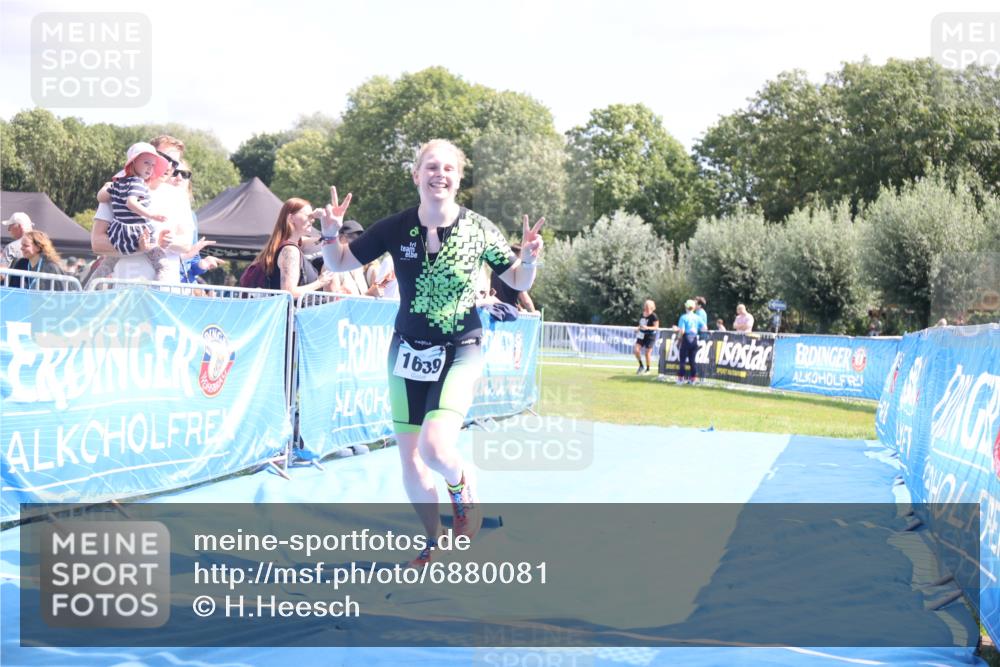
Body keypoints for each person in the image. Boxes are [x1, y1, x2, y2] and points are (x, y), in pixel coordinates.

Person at [317, 139, 544, 567]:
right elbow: (340, 263)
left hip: (461, 346)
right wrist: (330, 232)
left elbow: (517, 279)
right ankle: (434, 539)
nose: (439, 174)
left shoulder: (479, 228)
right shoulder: (395, 226)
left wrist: (528, 259)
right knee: (410, 459)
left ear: (458, 179)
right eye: (431, 167)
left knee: (436, 448)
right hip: (406, 349)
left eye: (448, 169)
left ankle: (464, 495)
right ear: (417, 175)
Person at [91, 135, 194, 282]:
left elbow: (186, 243)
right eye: (165, 158)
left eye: (175, 163)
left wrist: (167, 241)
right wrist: (140, 246)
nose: (170, 166)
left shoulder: (179, 195)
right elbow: (97, 243)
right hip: (125, 293)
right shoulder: (118, 187)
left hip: (164, 294)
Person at [250, 198, 336, 297]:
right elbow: (289, 292)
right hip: (292, 311)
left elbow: (327, 240)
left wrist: (324, 217)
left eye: (312, 217)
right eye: (308, 216)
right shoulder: (290, 250)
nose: (312, 220)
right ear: (291, 218)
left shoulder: (292, 244)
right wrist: (320, 282)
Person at [489, 243, 536, 312]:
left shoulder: (495, 271)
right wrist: (534, 314)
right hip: (509, 313)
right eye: (522, 258)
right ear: (516, 256)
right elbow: (526, 301)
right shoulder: (516, 273)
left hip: (495, 311)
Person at [675, 299, 706, 385]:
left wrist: (678, 339)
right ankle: (693, 380)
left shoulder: (683, 317)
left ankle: (681, 379)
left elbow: (682, 331)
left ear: (686, 307)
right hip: (694, 339)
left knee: (682, 360)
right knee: (692, 361)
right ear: (694, 308)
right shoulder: (697, 317)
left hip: (686, 339)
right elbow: (704, 328)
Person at [633, 299, 658, 375]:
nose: (646, 307)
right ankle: (641, 366)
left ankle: (648, 369)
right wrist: (638, 328)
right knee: (636, 350)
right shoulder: (642, 314)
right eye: (645, 306)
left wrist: (647, 327)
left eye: (647, 306)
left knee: (647, 353)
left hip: (650, 336)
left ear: (651, 307)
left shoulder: (654, 316)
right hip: (641, 335)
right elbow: (641, 324)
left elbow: (656, 327)